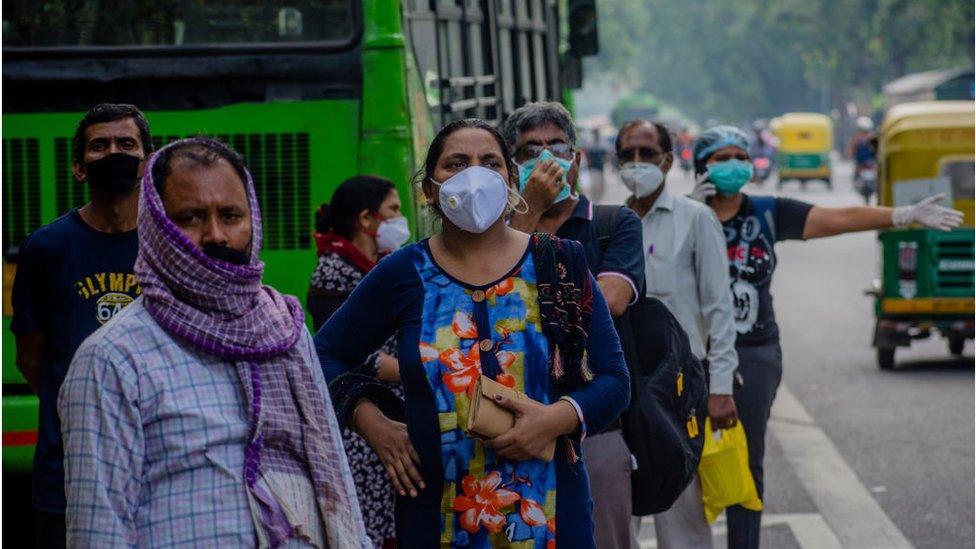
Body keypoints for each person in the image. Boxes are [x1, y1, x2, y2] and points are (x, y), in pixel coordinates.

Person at [315, 118, 630, 548]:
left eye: (490, 163)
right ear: (429, 190)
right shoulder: (402, 273)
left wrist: (554, 419)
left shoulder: (560, 264)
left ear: (511, 180)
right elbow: (322, 355)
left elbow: (614, 380)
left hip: (554, 522)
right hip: (436, 522)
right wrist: (372, 423)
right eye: (456, 164)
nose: (474, 176)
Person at [59, 138, 369, 547]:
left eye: (231, 215)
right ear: (156, 228)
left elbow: (334, 473)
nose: (216, 235)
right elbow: (98, 529)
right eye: (190, 218)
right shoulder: (112, 357)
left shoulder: (286, 331)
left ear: (252, 220)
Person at [691, 125, 963, 549]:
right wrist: (686, 211)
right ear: (701, 167)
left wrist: (901, 215)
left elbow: (837, 218)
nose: (731, 166)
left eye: (738, 157)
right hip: (694, 354)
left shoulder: (767, 212)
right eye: (720, 158)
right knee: (685, 457)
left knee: (747, 456)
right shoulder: (686, 216)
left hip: (755, 351)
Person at [11, 103, 152, 549]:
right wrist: (81, 406)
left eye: (126, 144)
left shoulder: (170, 247)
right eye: (99, 146)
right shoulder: (47, 248)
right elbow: (31, 358)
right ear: (78, 167)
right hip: (68, 470)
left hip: (154, 465)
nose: (114, 153)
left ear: (148, 161)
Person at [504, 101, 644, 548]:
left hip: (594, 424)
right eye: (530, 151)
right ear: (511, 168)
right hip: (510, 430)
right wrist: (526, 216)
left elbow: (610, 302)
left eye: (556, 147)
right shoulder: (494, 233)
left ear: (577, 159)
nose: (545, 159)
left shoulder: (613, 223)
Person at [616, 119, 740, 548]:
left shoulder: (696, 219)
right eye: (627, 154)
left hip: (681, 387)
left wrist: (720, 387)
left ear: (667, 160)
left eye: (646, 153)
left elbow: (719, 309)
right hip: (622, 386)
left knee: (683, 513)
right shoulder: (611, 225)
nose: (637, 163)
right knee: (618, 510)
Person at [308, 175, 409, 547]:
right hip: (361, 426)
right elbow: (353, 356)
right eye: (393, 210)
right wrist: (424, 369)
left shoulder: (382, 265)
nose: (401, 219)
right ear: (367, 220)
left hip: (394, 415)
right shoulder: (333, 272)